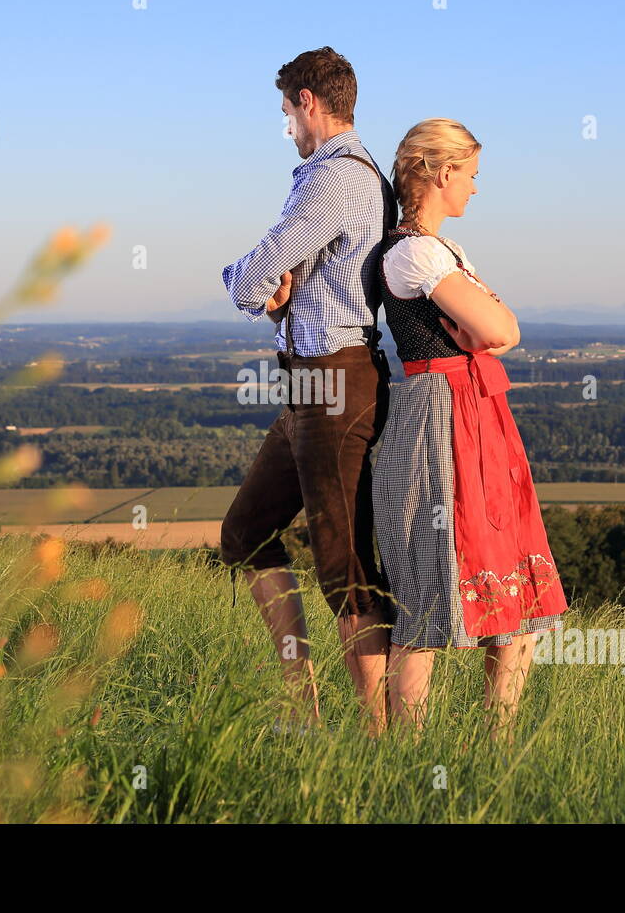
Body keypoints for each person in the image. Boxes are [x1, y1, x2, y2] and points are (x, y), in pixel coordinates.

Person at [219, 47, 397, 734]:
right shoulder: (355, 176)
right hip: (311, 383)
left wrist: (249, 282)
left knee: (342, 565)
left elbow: (253, 271)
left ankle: (381, 734)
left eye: (287, 112)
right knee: (244, 531)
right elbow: (297, 279)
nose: (287, 126)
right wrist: (280, 297)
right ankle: (303, 707)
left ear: (308, 102)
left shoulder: (331, 180)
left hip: (335, 384)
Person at [372, 118, 569, 739]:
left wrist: (485, 333)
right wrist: (482, 334)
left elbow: (500, 329)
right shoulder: (415, 252)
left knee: (512, 585)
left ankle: (497, 746)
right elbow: (503, 331)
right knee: (427, 588)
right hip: (438, 418)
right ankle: (403, 754)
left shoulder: (439, 251)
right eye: (472, 175)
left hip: (475, 415)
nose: (476, 190)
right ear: (439, 172)